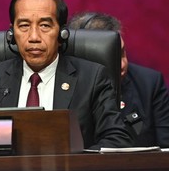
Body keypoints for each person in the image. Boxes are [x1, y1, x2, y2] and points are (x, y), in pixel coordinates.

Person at [0, 0, 133, 150]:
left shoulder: (92, 78)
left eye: (45, 25)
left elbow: (117, 139)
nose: (34, 37)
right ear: (11, 34)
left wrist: (71, 164)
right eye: (24, 26)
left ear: (62, 34)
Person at [68, 12, 169, 147]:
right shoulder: (63, 86)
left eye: (122, 53)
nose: (122, 65)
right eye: (112, 56)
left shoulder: (150, 83)